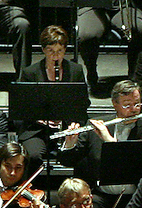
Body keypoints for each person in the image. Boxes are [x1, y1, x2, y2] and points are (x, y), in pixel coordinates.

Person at [54, 79, 142, 208]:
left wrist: (109, 140)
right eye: (127, 105)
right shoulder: (95, 125)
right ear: (115, 104)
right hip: (101, 196)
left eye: (137, 104)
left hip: (135, 198)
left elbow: (140, 167)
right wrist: (70, 143)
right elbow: (67, 161)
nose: (133, 109)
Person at [11, 25, 86, 162]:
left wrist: (73, 124)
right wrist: (40, 118)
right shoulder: (30, 73)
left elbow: (83, 103)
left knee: (80, 153)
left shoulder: (76, 71)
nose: (55, 56)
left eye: (60, 51)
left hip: (66, 128)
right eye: (51, 50)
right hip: (37, 130)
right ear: (43, 50)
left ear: (65, 50)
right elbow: (21, 108)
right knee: (33, 155)